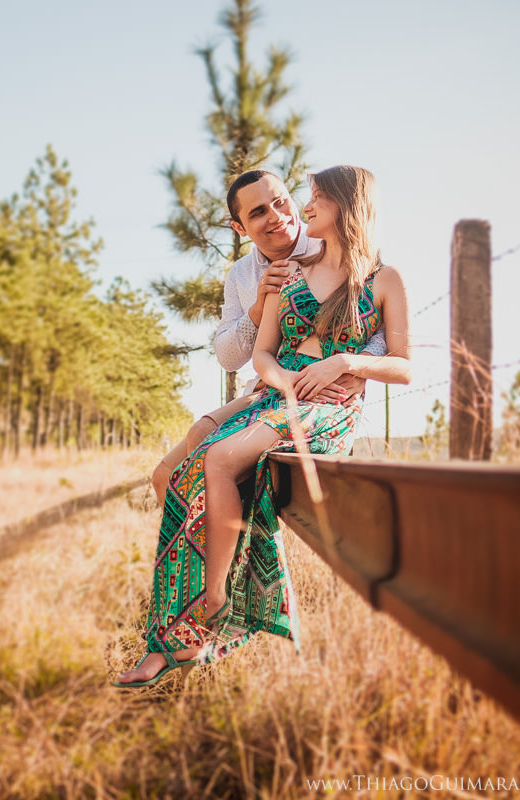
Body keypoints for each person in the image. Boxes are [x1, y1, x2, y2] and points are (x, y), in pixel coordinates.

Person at [116, 166, 411, 686]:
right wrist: (282, 367)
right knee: (178, 477)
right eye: (260, 211)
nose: (290, 211)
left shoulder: (383, 278)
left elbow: (400, 361)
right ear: (240, 227)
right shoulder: (278, 275)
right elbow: (251, 356)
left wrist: (347, 366)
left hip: (323, 405)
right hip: (275, 396)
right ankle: (169, 640)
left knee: (217, 458)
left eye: (299, 199)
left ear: (346, 205)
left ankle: (215, 598)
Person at [150, 169, 387, 505]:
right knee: (164, 477)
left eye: (280, 202)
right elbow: (228, 357)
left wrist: (355, 369)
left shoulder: (331, 243)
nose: (277, 217)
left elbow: (378, 323)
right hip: (265, 389)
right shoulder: (241, 275)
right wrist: (259, 309)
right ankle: (210, 551)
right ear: (239, 228)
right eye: (259, 212)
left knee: (209, 453)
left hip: (317, 396)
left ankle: (233, 546)